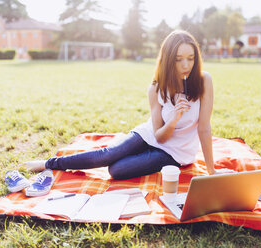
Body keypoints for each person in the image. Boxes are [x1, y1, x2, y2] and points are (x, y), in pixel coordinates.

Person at [25, 30, 234, 179]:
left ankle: (131, 154)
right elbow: (159, 135)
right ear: (169, 60)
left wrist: (211, 170)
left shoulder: (204, 80)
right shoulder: (156, 89)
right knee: (108, 154)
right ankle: (49, 164)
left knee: (116, 171)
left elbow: (204, 128)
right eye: (179, 59)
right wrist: (175, 118)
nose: (186, 65)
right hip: (151, 135)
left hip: (175, 153)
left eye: (190, 58)